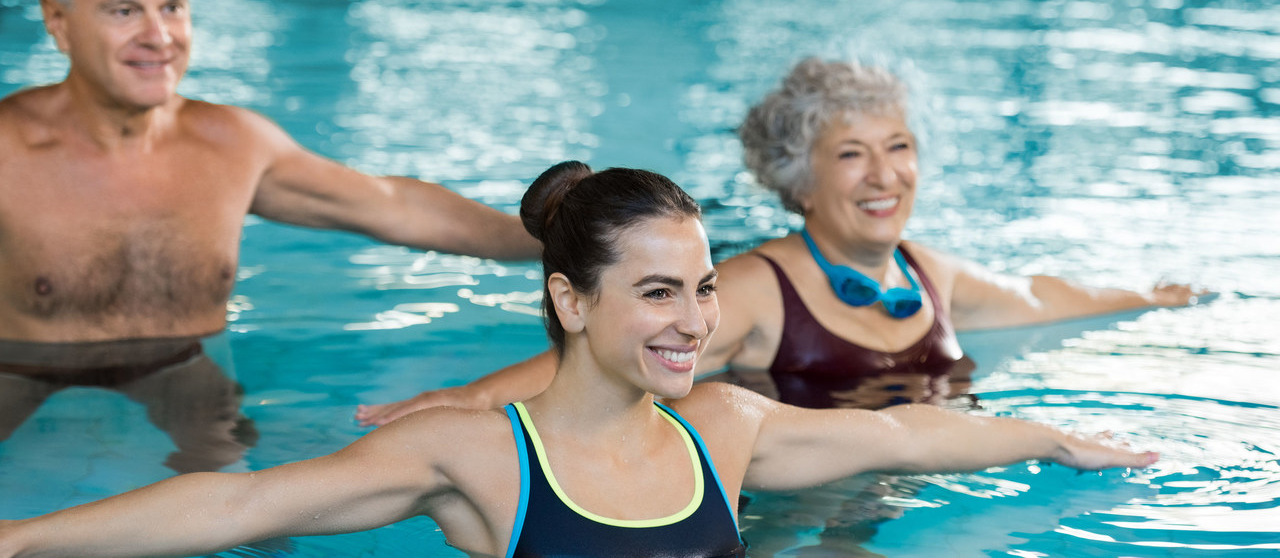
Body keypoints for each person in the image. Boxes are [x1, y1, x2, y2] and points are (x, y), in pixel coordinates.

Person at [0, 162, 1159, 558]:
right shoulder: (479, 458)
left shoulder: (718, 428)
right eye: (656, 292)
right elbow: (233, 506)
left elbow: (911, 435)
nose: (693, 320)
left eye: (702, 287)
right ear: (568, 298)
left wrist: (1055, 436)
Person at [357, 56, 1200, 424]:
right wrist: (445, 406)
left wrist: (1151, 298)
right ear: (799, 180)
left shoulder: (927, 272)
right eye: (851, 155)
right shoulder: (754, 290)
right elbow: (593, 363)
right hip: (794, 517)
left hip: (913, 490)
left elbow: (1038, 299)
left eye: (898, 148)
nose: (884, 176)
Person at [0, 0, 537, 466]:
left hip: (183, 372)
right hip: (20, 372)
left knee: (259, 540)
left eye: (174, 7)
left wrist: (551, 238)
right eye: (124, 10)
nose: (159, 37)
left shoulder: (231, 146)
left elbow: (393, 205)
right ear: (57, 20)